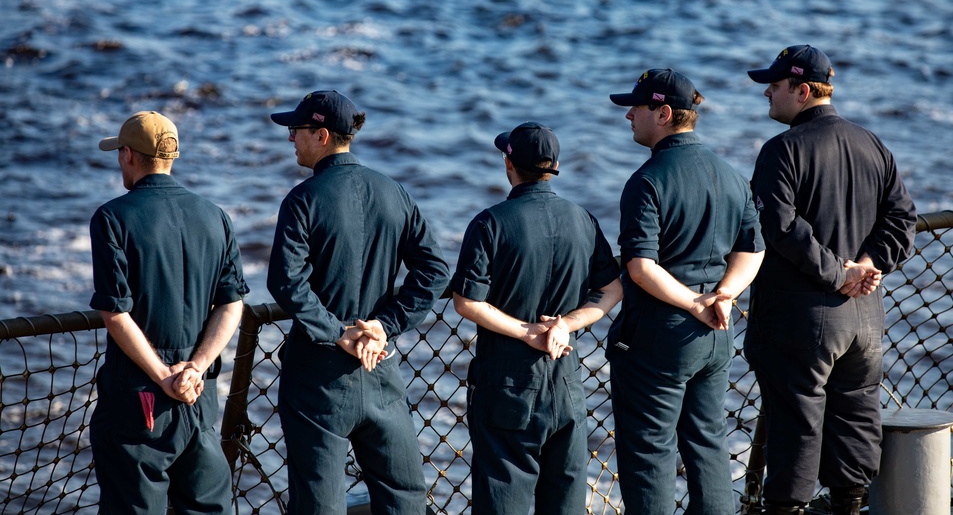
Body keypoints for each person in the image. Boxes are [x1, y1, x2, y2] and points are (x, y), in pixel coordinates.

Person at [743, 45, 917, 515]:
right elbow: (903, 221)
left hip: (804, 318)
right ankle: (852, 506)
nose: (767, 93)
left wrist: (839, 273)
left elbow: (781, 227)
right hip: (865, 318)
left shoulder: (781, 150)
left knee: (797, 423)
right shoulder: (872, 143)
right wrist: (865, 265)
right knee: (857, 417)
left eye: (775, 86)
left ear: (802, 91)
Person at [267, 90, 450, 515]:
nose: (291, 139)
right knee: (404, 497)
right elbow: (435, 271)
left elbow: (286, 282)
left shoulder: (303, 199)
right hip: (380, 362)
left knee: (319, 503)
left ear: (323, 134)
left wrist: (338, 334)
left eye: (296, 131)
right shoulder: (394, 192)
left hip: (319, 372)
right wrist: (385, 325)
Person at [607, 69, 765, 515]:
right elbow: (752, 250)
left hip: (660, 335)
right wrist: (724, 296)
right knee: (708, 443)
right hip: (717, 334)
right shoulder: (732, 175)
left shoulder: (648, 181)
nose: (629, 117)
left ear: (664, 113)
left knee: (649, 454)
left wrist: (695, 303)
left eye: (635, 109)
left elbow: (640, 267)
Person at [450, 122, 623, 515]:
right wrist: (565, 324)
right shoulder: (583, 219)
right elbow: (613, 289)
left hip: (508, 383)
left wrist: (528, 331)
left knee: (502, 499)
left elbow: (466, 302)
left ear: (510, 165)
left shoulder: (490, 222)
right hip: (566, 379)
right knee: (564, 502)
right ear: (555, 166)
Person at [89, 110, 248, 514]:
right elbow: (232, 303)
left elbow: (115, 311)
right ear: (171, 157)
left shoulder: (112, 218)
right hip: (198, 399)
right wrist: (194, 368)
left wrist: (163, 376)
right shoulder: (217, 216)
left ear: (128, 155)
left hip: (138, 405)